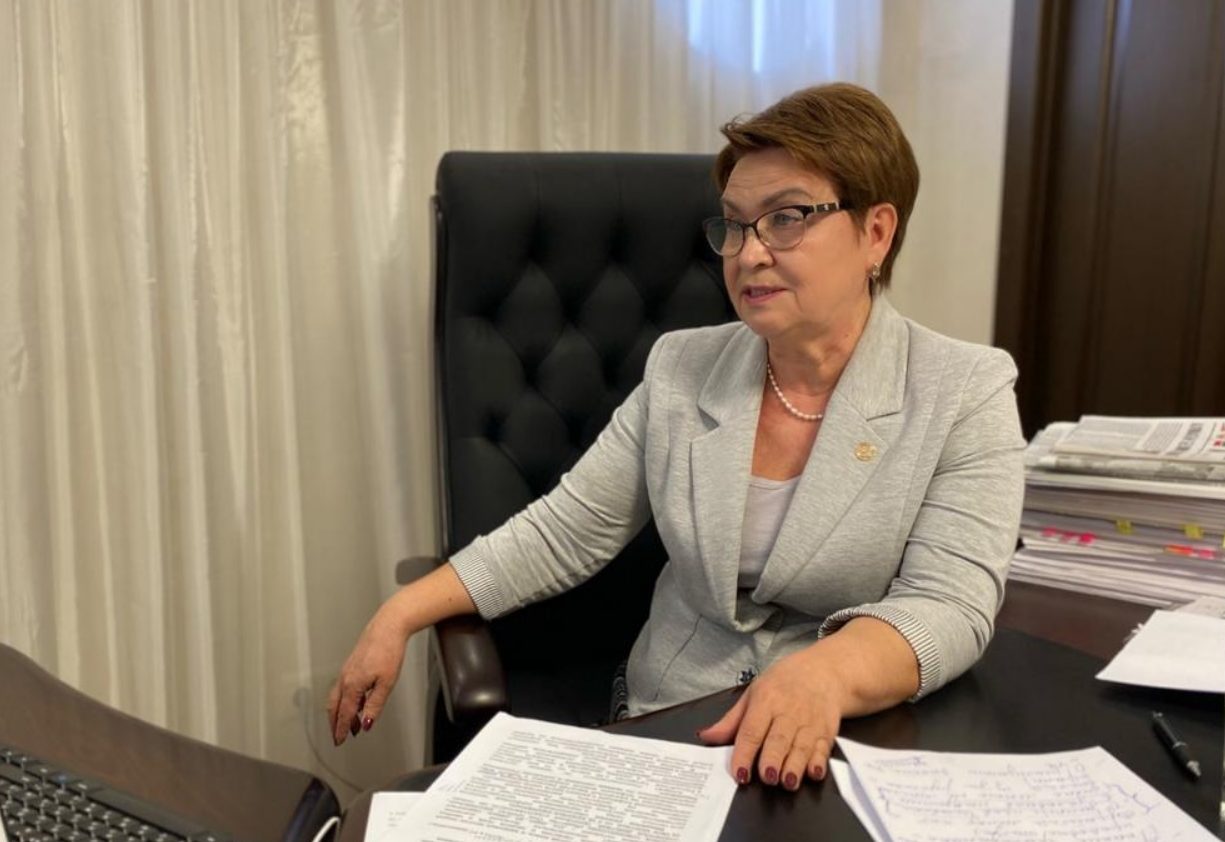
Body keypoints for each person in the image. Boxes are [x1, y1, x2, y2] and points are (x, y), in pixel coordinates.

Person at [326, 82, 1025, 792]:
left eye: (785, 219)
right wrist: (401, 612)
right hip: (673, 723)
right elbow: (565, 532)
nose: (749, 254)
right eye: (734, 226)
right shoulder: (682, 368)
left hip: (847, 739)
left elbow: (950, 603)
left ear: (876, 232)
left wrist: (825, 673)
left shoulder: (965, 390)